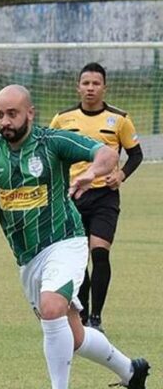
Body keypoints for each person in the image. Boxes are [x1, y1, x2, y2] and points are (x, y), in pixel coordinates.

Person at [0, 84, 150, 389]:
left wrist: (92, 172)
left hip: (65, 240)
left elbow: (106, 154)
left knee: (52, 308)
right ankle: (130, 370)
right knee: (72, 336)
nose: (5, 121)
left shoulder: (53, 141)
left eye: (13, 114)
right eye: (0, 114)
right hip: (27, 257)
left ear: (30, 113)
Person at [49, 63, 142, 334]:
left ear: (104, 87)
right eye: (86, 83)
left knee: (99, 253)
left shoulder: (119, 119)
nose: (90, 88)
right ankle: (83, 314)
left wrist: (121, 175)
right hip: (74, 195)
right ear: (78, 86)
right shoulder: (62, 119)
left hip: (105, 197)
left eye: (96, 83)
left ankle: (96, 319)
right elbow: (51, 152)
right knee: (79, 260)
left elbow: (135, 154)